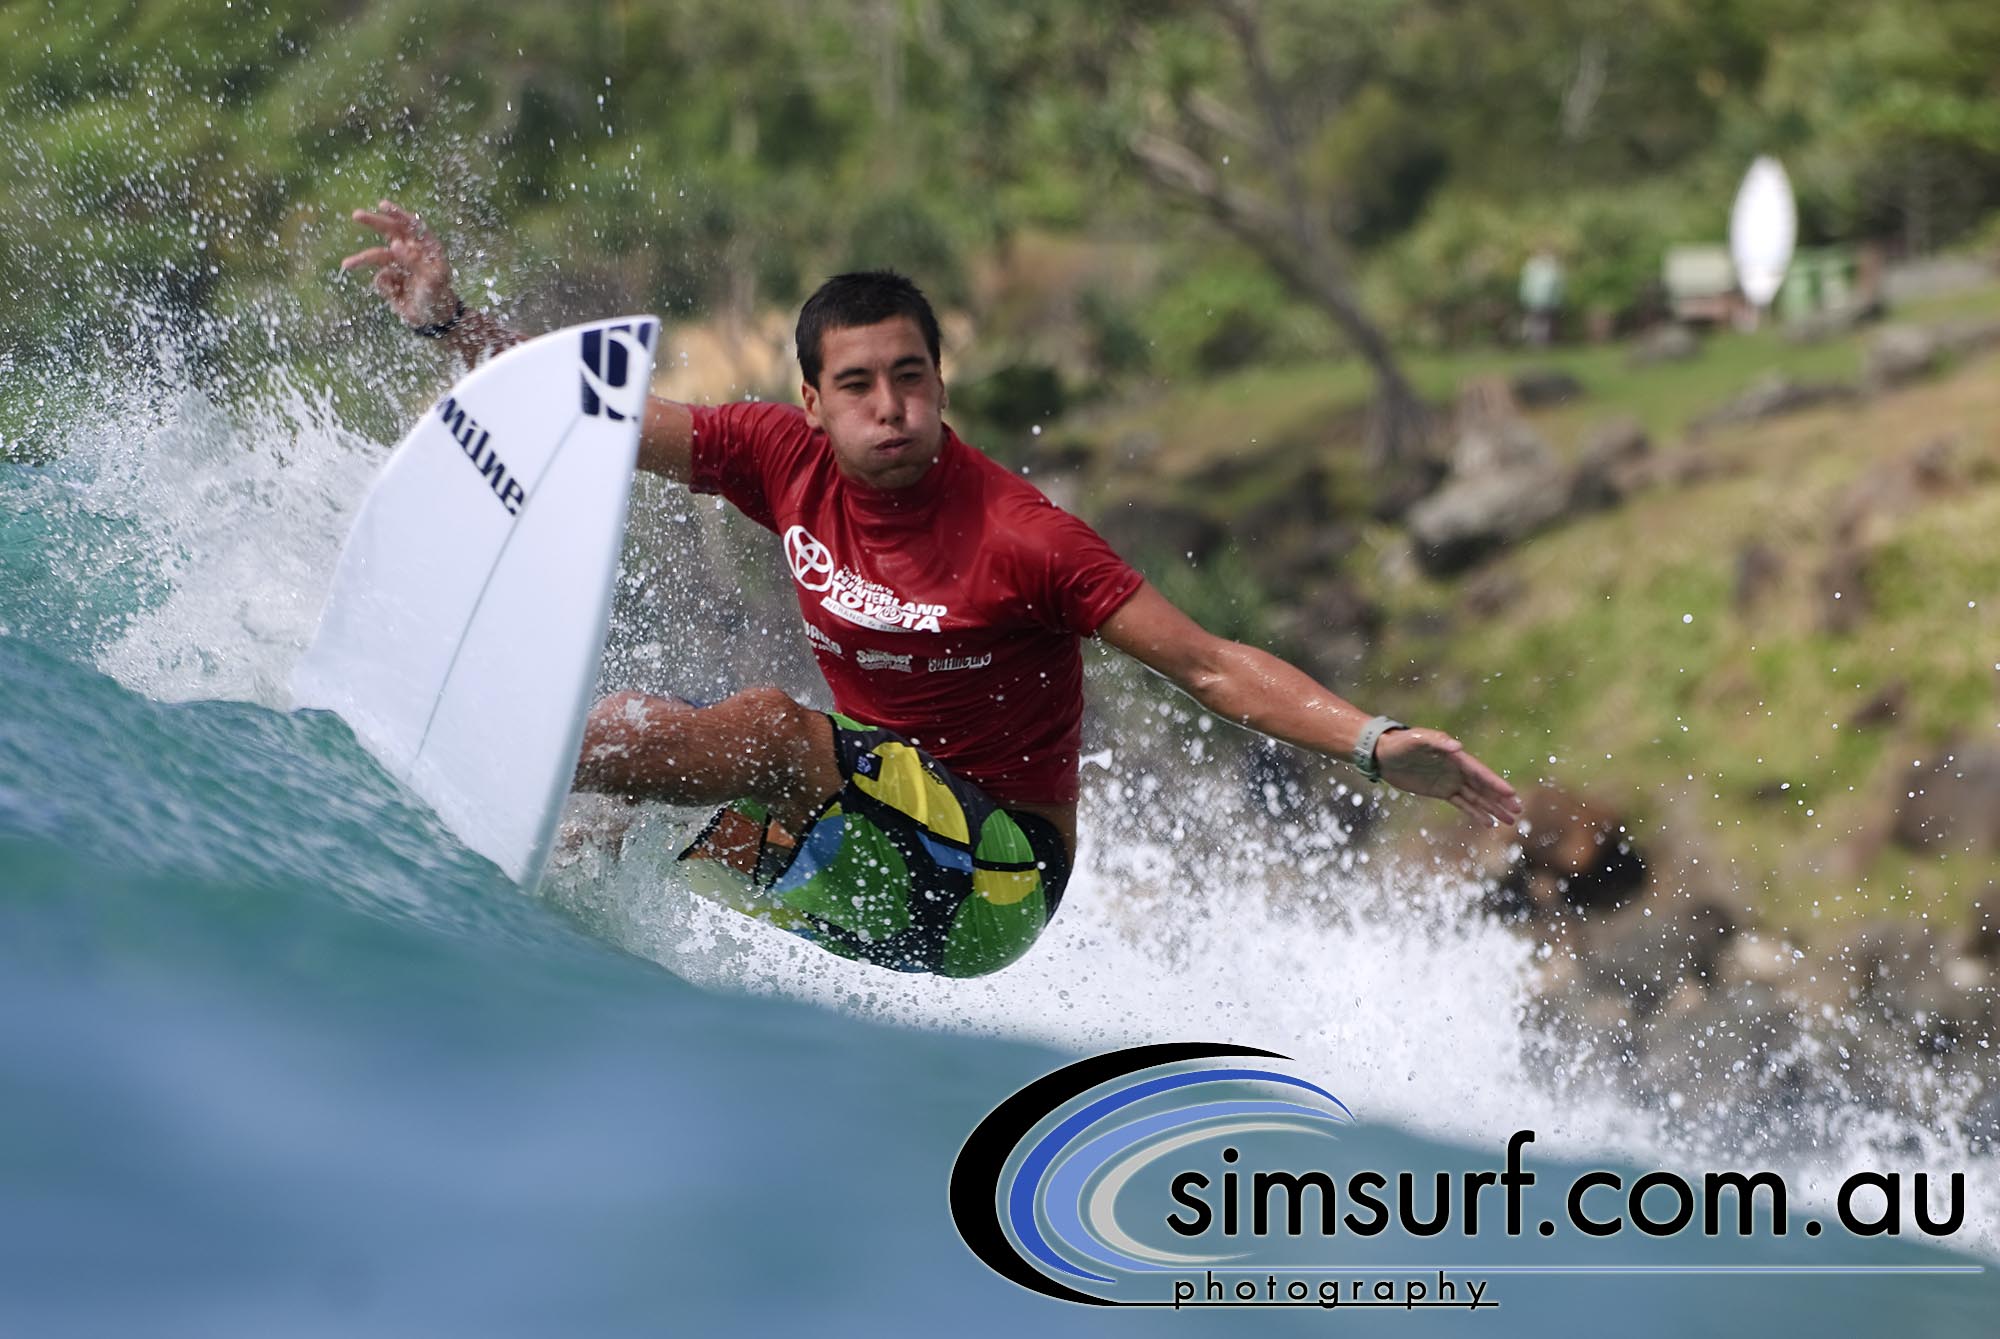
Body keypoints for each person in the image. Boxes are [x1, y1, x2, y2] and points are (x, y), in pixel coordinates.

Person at [342, 200, 1523, 978]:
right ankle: (494, 944)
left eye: (910, 377)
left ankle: (460, 776)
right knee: (621, 780)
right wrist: (448, 322)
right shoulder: (776, 455)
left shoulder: (1020, 537)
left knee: (752, 728)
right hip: (869, 828)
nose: (890, 406)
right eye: (858, 384)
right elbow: (591, 418)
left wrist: (1373, 742)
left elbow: (1209, 664)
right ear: (811, 403)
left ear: (941, 384)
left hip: (995, 883)